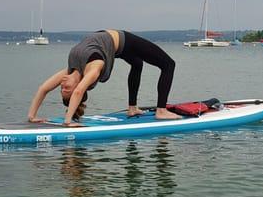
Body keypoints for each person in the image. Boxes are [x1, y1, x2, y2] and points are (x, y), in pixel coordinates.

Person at [27, 30, 181, 126]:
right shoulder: (94, 68)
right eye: (66, 89)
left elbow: (43, 89)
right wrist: (68, 122)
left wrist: (32, 116)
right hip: (124, 41)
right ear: (79, 86)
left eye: (62, 89)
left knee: (137, 64)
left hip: (116, 45)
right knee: (168, 64)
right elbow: (79, 91)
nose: (63, 85)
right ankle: (161, 111)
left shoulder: (70, 69)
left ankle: (132, 108)